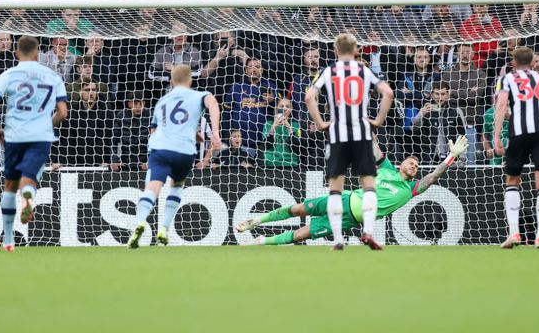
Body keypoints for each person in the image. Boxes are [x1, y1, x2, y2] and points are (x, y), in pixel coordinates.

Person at [236, 136, 469, 246]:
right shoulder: (387, 168)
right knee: (298, 208)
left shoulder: (411, 189)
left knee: (301, 235)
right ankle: (255, 221)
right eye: (411, 162)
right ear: (401, 164)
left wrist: (451, 157)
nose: (414, 165)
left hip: (350, 218)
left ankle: (260, 242)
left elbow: (433, 176)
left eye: (417, 165)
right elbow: (374, 147)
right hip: (344, 198)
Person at [305, 33, 394, 250]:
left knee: (336, 188)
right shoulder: (363, 70)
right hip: (362, 133)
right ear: (356, 51)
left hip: (338, 135)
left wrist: (320, 123)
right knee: (369, 185)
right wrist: (378, 120)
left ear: (335, 51)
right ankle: (369, 232)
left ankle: (337, 240)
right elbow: (388, 93)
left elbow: (309, 97)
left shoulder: (329, 71)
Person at [0, 36, 69, 252]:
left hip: (14, 135)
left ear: (17, 53)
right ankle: (29, 196)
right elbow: (63, 113)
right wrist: (47, 124)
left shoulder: (9, 74)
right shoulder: (52, 75)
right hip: (40, 136)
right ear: (38, 53)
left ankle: (9, 239)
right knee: (29, 180)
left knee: (10, 185)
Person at [127, 64, 221, 248]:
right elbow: (213, 103)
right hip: (185, 152)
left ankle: (139, 223)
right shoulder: (198, 95)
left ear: (171, 81)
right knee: (177, 185)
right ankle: (164, 228)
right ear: (190, 81)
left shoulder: (162, 100)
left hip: (161, 149)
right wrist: (215, 132)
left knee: (151, 189)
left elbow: (156, 130)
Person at [494, 47, 539, 249]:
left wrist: (497, 136)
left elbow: (500, 106)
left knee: (513, 180)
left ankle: (514, 232)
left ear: (513, 63)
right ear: (534, 61)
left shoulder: (507, 79)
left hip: (519, 132)